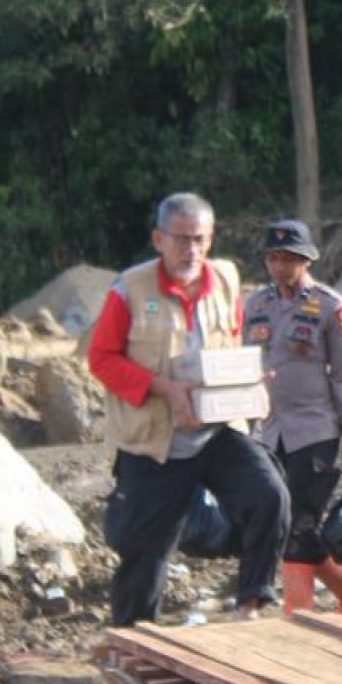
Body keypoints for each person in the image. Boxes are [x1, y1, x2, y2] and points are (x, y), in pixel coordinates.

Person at [88, 193, 293, 626]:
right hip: (156, 440)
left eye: (199, 240)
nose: (191, 251)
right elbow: (101, 359)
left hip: (216, 431)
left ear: (211, 238)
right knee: (147, 549)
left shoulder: (226, 280)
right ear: (158, 239)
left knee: (270, 496)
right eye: (181, 240)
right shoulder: (129, 290)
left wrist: (249, 383)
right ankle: (133, 638)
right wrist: (162, 387)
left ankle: (250, 605)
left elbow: (233, 340)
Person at [245, 219, 342, 617]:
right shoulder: (255, 305)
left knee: (299, 523)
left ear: (306, 261)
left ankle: (297, 617)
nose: (280, 266)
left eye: (289, 259)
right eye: (273, 258)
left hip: (316, 431)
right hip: (269, 433)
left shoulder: (329, 306)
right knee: (285, 523)